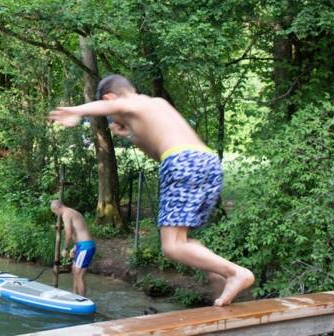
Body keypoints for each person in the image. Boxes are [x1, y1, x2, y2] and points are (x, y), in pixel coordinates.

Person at [48, 74, 254, 306]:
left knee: (172, 246)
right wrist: (132, 136)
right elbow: (158, 152)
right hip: (206, 163)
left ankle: (236, 273)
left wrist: (76, 110)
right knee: (185, 242)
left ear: (110, 97)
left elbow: (114, 105)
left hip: (182, 163)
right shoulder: (157, 105)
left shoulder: (132, 102)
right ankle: (220, 281)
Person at [50, 200, 96, 297]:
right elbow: (80, 231)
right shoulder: (73, 212)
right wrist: (74, 247)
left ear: (57, 208)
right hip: (81, 245)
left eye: (55, 213)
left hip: (85, 246)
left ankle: (82, 300)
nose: (57, 215)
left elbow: (69, 233)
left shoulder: (66, 214)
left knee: (79, 274)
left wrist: (65, 248)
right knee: (74, 270)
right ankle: (75, 295)